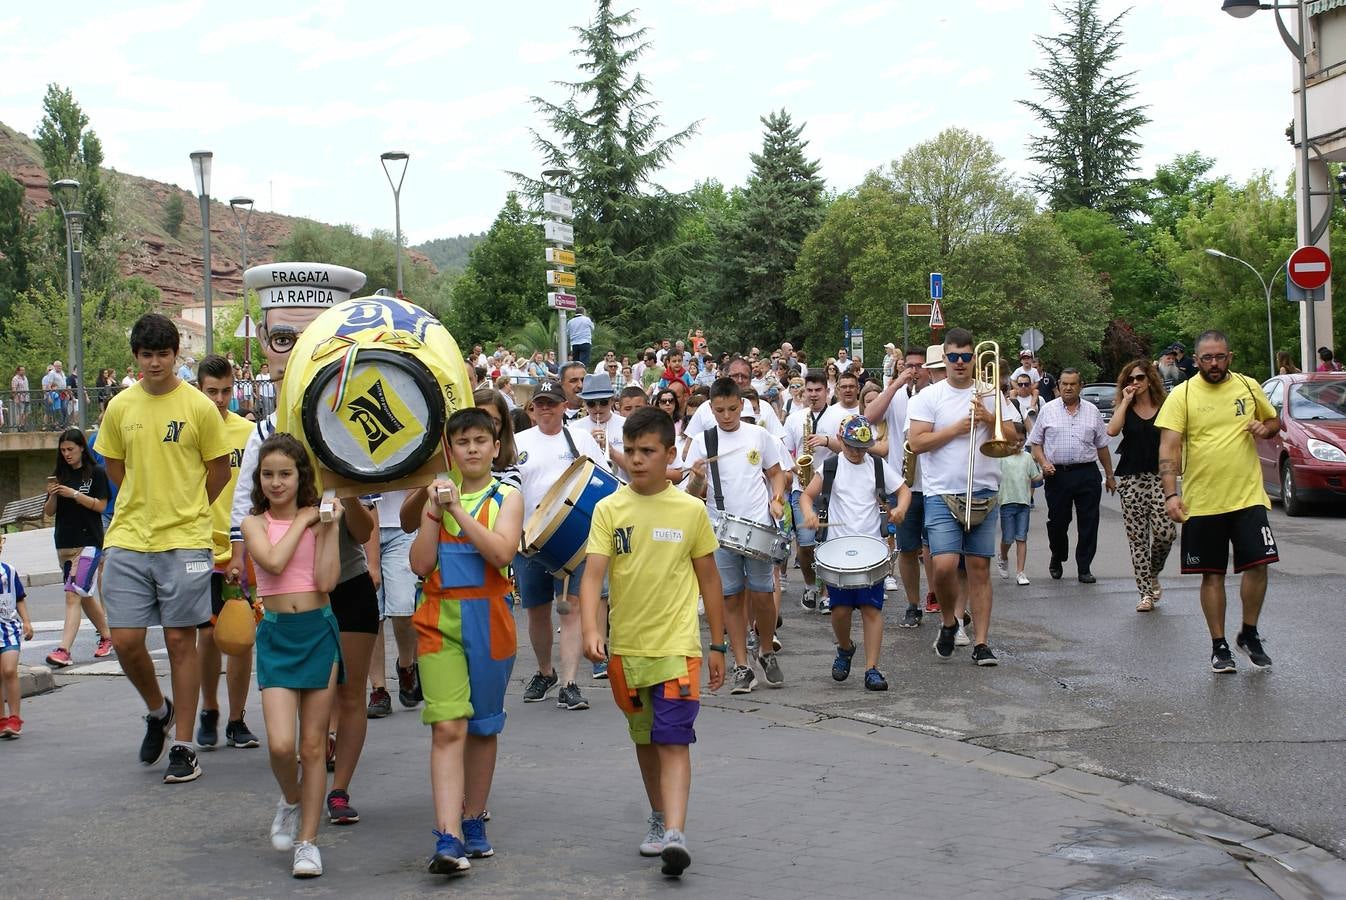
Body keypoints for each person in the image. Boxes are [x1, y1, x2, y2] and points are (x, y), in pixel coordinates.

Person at [579, 406, 726, 878]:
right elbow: (592, 576)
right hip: (626, 649)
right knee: (645, 738)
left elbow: (711, 582)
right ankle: (661, 817)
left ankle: (676, 835)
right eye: (632, 450)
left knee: (673, 738)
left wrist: (719, 645)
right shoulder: (608, 509)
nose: (638, 460)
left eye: (649, 451)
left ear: (669, 455)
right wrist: (590, 628)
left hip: (678, 648)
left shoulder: (691, 510)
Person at [95, 314, 232, 783]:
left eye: (163, 354)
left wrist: (188, 508)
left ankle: (184, 745)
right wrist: (144, 503)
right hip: (129, 536)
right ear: (135, 357)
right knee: (125, 640)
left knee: (180, 639)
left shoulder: (197, 406)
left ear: (177, 356)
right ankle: (158, 710)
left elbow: (219, 471)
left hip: (186, 540)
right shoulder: (119, 407)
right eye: (146, 355)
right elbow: (115, 466)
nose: (155, 363)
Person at [409, 408, 524, 874]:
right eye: (463, 442)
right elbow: (419, 564)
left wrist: (456, 509)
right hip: (438, 620)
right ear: (449, 450)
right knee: (448, 726)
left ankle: (473, 819)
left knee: (482, 727)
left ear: (495, 447)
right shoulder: (434, 498)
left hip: (491, 621)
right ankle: (447, 835)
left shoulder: (508, 496)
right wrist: (434, 513)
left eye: (481, 440)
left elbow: (501, 553)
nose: (472, 449)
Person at [242, 433, 344, 878]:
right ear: (259, 479)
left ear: (301, 475)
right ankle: (290, 798)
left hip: (318, 630)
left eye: (286, 473)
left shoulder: (318, 518)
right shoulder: (253, 524)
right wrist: (304, 521)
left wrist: (331, 526)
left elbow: (326, 582)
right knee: (282, 745)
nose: (277, 482)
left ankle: (308, 841)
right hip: (277, 634)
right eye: (269, 474)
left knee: (311, 746)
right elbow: (274, 563)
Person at [1157, 330, 1280, 673]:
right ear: (1195, 360)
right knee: (1211, 574)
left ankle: (1250, 633)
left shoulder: (1248, 385)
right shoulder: (1182, 394)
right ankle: (1219, 645)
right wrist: (1171, 494)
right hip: (1203, 501)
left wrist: (1265, 429)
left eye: (1220, 357)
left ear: (1230, 357)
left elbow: (1274, 421)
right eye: (1207, 358)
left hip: (1248, 496)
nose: (1214, 363)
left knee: (1258, 564)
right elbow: (1168, 446)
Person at [908, 328, 1019, 666]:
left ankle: (982, 643)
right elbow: (917, 442)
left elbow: (1013, 438)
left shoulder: (990, 392)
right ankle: (948, 621)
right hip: (941, 491)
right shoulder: (928, 396)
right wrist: (956, 428)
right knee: (943, 566)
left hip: (984, 488)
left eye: (966, 357)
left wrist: (989, 418)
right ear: (944, 359)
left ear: (974, 358)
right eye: (953, 357)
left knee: (979, 568)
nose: (959, 363)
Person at [678, 377, 785, 693]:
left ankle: (765, 650)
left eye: (732, 409)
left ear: (742, 405)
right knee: (731, 598)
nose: (727, 416)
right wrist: (697, 478)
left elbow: (776, 473)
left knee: (764, 595)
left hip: (758, 524)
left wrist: (776, 499)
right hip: (719, 529)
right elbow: (693, 493)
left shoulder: (758, 435)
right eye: (720, 410)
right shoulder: (702, 442)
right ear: (711, 408)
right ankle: (741, 665)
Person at [513, 380, 609, 710]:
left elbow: (603, 477)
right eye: (539, 403)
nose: (545, 408)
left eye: (551, 403)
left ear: (563, 406)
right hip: (527, 541)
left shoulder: (580, 439)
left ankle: (569, 682)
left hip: (573, 540)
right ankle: (545, 671)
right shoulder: (518, 442)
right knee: (536, 613)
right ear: (532, 407)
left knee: (571, 611)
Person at [800, 415, 908, 691]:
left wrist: (899, 509)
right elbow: (806, 496)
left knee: (872, 609)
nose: (857, 453)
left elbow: (904, 491)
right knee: (840, 610)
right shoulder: (831, 466)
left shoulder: (878, 466)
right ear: (841, 441)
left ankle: (872, 668)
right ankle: (845, 648)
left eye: (861, 447)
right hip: (837, 550)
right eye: (851, 446)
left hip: (871, 548)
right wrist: (809, 515)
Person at [190, 355, 264, 750]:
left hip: (240, 549)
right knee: (206, 635)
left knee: (240, 635)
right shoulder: (189, 430)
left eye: (225, 391)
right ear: (198, 389)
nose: (219, 399)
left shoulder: (249, 432)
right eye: (211, 391)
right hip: (198, 546)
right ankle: (209, 708)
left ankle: (237, 718)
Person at [865, 346, 934, 627]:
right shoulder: (894, 395)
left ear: (929, 369)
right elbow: (868, 417)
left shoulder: (934, 394)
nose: (914, 371)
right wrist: (895, 384)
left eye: (919, 366)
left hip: (932, 483)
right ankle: (913, 604)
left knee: (934, 548)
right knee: (907, 548)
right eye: (909, 365)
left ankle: (935, 595)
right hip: (903, 483)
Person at [1027, 368, 1116, 584]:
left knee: (1089, 522)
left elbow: (1102, 446)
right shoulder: (1048, 410)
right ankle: (1058, 555)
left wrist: (1110, 475)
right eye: (1064, 384)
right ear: (1058, 385)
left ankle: (1084, 567)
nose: (1068, 388)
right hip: (1058, 474)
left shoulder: (1092, 411)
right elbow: (1035, 443)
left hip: (1086, 473)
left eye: (1072, 384)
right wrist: (1044, 463)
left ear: (1080, 386)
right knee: (1058, 523)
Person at [1107, 359, 1175, 612]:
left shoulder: (1165, 406)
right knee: (1138, 540)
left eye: (1139, 378)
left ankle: (1154, 571)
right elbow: (1112, 431)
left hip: (1159, 477)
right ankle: (1145, 593)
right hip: (1132, 479)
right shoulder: (1125, 406)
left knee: (1166, 533)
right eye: (1130, 379)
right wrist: (1124, 401)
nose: (1135, 383)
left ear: (1150, 380)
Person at [42, 428, 114, 666]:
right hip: (64, 543)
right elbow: (49, 512)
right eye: (62, 450)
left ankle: (64, 650)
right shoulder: (59, 475)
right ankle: (107, 636)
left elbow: (101, 506)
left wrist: (74, 494)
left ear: (82, 447)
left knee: (73, 594)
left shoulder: (96, 473)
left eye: (70, 449)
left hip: (89, 544)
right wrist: (53, 495)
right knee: (82, 595)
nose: (66, 455)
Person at [783, 373, 831, 612]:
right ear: (803, 393)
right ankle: (810, 585)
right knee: (806, 542)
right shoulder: (794, 419)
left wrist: (826, 441)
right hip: (802, 487)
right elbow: (785, 452)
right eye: (809, 390)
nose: (813, 395)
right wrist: (798, 468)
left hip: (832, 489)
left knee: (829, 543)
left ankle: (825, 592)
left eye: (818, 390)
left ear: (826, 391)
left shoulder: (838, 416)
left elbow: (849, 448)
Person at [996, 432, 1040, 586]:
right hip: (1007, 502)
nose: (1018, 443)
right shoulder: (1001, 457)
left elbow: (1035, 477)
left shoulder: (1027, 457)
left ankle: (1020, 572)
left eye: (1022, 440)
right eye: (1015, 440)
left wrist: (1046, 473)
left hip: (1023, 502)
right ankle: (1003, 557)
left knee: (1021, 537)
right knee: (1008, 537)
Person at [0, 534, 33, 738]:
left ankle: (15, 717)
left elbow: (19, 598)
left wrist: (27, 621)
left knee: (10, 670)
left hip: (9, 629)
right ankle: (2, 720)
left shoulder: (9, 571)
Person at [10, 365, 29, 431]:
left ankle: (23, 425)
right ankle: (19, 426)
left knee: (27, 413)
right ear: (18, 371)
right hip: (20, 398)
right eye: (21, 370)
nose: (23, 371)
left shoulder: (25, 377)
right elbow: (14, 389)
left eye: (24, 370)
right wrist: (16, 397)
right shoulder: (15, 378)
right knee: (21, 413)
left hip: (26, 398)